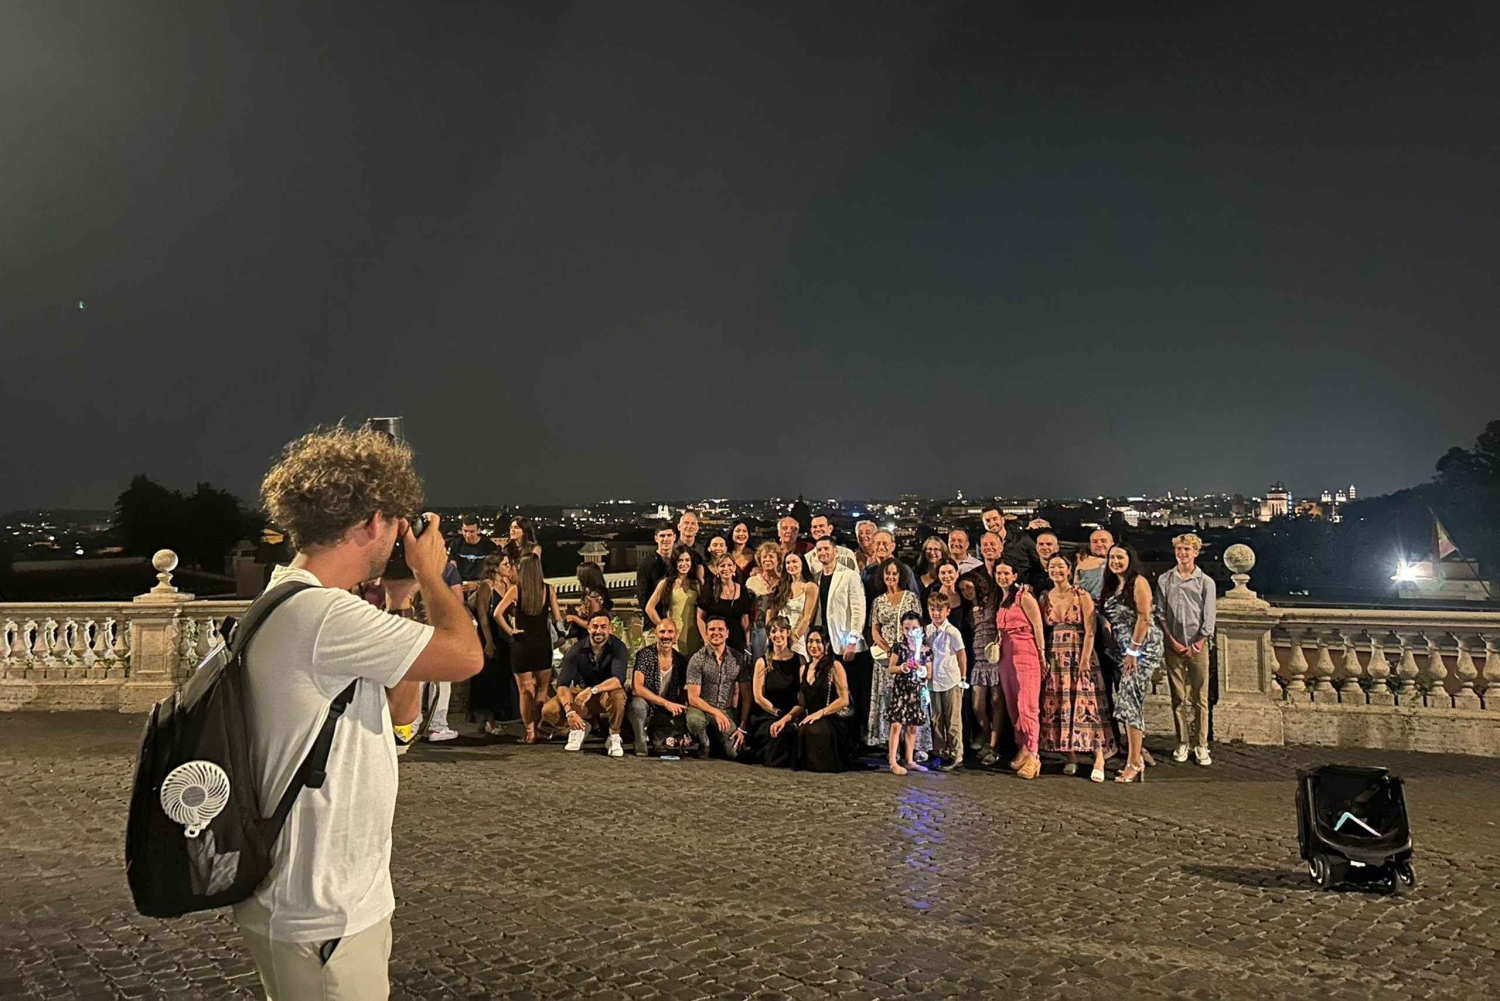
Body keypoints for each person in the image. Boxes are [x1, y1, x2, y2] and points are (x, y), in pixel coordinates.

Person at [239, 426, 482, 998]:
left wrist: (400, 607)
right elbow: (466, 654)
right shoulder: (323, 617)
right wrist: (430, 573)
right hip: (324, 911)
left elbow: (401, 712)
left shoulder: (297, 601)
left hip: (323, 904)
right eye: (397, 524)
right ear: (375, 522)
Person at [1038, 554, 1116, 781]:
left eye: (1060, 566)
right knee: (1061, 703)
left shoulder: (1081, 595)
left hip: (1079, 651)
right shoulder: (1045, 597)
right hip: (1056, 655)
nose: (1056, 570)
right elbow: (1043, 629)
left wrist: (1084, 660)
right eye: (1052, 567)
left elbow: (1091, 630)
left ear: (1069, 570)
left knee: (1088, 703)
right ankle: (1070, 755)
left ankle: (1099, 755)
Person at [1102, 544, 1162, 783]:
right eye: (1112, 557)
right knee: (1129, 700)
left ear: (1130, 559)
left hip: (1140, 649)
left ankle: (1134, 761)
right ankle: (1137, 753)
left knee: (1129, 702)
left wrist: (1133, 651)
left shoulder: (1138, 582)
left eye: (1120, 557)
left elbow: (1144, 618)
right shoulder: (1112, 584)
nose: (1115, 561)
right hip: (1121, 649)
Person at [1157, 533, 1217, 766]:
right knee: (1178, 697)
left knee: (1200, 698)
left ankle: (1202, 745)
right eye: (1179, 549)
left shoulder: (1206, 582)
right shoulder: (1165, 579)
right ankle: (1182, 741)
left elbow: (1209, 617)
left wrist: (1198, 643)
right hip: (1173, 645)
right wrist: (1172, 641)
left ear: (1195, 552)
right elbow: (1160, 613)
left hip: (1198, 645)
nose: (1182, 553)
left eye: (1187, 549)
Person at [540, 610, 629, 757]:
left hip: (605, 694)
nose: (598, 631)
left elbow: (618, 679)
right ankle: (578, 727)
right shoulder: (575, 650)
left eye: (603, 627)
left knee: (618, 696)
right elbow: (562, 684)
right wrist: (570, 712)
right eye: (595, 627)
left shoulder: (618, 647)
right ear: (588, 628)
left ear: (610, 629)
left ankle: (614, 736)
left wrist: (592, 690)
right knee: (549, 710)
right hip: (581, 695)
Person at [495, 553, 563, 744]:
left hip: (522, 643)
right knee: (542, 689)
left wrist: (511, 631)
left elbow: (497, 613)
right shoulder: (549, 590)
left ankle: (530, 731)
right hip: (542, 644)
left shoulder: (516, 590)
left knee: (525, 690)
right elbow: (558, 619)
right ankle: (539, 725)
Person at [806, 536, 868, 740]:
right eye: (819, 550)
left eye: (826, 549)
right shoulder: (815, 577)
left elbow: (858, 610)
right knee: (831, 693)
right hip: (825, 644)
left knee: (849, 694)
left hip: (845, 646)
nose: (822, 553)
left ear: (835, 552)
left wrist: (852, 641)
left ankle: (854, 738)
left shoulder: (849, 575)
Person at [868, 558, 926, 756]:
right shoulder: (878, 601)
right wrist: (888, 648)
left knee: (909, 700)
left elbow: (918, 625)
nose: (890, 577)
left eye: (894, 573)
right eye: (887, 573)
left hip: (908, 656)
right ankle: (890, 745)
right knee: (889, 699)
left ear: (900, 575)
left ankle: (911, 747)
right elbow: (874, 629)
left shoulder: (910, 597)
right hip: (886, 658)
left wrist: (908, 649)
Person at [994, 561, 1045, 780]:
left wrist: (1042, 654)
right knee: (1013, 704)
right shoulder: (1003, 600)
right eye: (999, 572)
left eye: (1006, 572)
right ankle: (1022, 745)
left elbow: (1037, 625)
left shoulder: (1024, 596)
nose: (1002, 576)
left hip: (1026, 651)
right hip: (1006, 654)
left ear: (1015, 575)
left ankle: (1034, 752)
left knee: (1028, 704)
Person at [685, 617, 752, 759]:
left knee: (734, 753)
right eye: (712, 629)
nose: (716, 633)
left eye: (720, 629)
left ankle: (717, 740)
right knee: (694, 721)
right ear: (706, 633)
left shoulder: (738, 659)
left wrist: (742, 728)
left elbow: (747, 697)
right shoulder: (697, 659)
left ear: (727, 633)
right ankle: (704, 742)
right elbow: (693, 698)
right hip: (702, 708)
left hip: (726, 710)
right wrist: (716, 713)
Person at [627, 618, 690, 756]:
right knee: (637, 704)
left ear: (675, 635)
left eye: (670, 632)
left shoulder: (680, 660)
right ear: (656, 634)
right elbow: (637, 688)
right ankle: (640, 741)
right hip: (648, 704)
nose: (666, 636)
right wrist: (666, 703)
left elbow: (684, 691)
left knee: (687, 718)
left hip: (665, 709)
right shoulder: (644, 655)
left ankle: (658, 735)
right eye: (662, 632)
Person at [795, 625, 854, 772]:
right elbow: (801, 703)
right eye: (810, 641)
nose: (813, 646)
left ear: (826, 645)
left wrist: (820, 713)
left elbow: (844, 699)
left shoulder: (834, 666)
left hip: (831, 717)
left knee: (813, 731)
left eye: (818, 642)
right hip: (810, 716)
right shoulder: (803, 669)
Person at [471, 553, 518, 734]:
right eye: (504, 564)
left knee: (501, 676)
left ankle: (495, 717)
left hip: (504, 633)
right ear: (494, 567)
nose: (508, 566)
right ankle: (489, 720)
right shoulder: (486, 587)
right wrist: (489, 642)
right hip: (490, 632)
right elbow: (483, 616)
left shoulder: (507, 585)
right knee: (488, 676)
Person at [748, 617, 803, 767]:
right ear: (769, 636)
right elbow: (758, 697)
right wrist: (778, 713)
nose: (777, 635)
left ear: (788, 633)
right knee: (777, 733)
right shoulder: (762, 662)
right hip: (768, 714)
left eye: (781, 631)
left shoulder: (800, 660)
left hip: (792, 713)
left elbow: (803, 697)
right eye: (773, 631)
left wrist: (789, 716)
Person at [924, 591, 967, 772]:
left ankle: (957, 754)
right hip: (933, 681)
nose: (936, 613)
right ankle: (940, 751)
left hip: (950, 679)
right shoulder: (926, 630)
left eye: (940, 610)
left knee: (953, 719)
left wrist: (963, 678)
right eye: (933, 609)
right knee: (937, 717)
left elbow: (961, 654)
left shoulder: (952, 632)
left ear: (947, 611)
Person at [885, 611, 931, 775]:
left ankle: (910, 759)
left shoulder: (925, 650)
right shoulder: (899, 647)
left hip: (916, 691)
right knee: (896, 725)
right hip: (901, 690)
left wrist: (920, 669)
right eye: (907, 628)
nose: (911, 631)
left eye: (914, 628)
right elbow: (891, 668)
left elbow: (929, 673)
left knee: (912, 726)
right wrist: (903, 667)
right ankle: (892, 760)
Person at [644, 545, 703, 658]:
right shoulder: (666, 583)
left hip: (693, 635)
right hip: (673, 636)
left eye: (687, 560)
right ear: (675, 562)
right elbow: (649, 608)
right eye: (680, 560)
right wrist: (664, 628)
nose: (684, 564)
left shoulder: (696, 584)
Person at [697, 553, 753, 652]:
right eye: (722, 566)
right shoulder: (709, 589)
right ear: (717, 569)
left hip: (736, 641)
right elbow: (700, 617)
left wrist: (748, 643)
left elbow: (745, 619)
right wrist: (706, 641)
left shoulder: (742, 589)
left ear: (734, 567)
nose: (726, 568)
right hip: (714, 640)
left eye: (729, 565)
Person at [766, 549, 816, 657]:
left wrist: (794, 637)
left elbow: (807, 617)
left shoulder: (810, 587)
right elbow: (771, 611)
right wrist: (770, 633)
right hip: (779, 635)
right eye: (788, 563)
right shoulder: (782, 585)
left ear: (802, 564)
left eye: (794, 561)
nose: (790, 565)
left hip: (798, 635)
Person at [744, 541, 783, 664]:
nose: (767, 559)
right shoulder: (752, 581)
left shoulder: (784, 582)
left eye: (771, 556)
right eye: (764, 557)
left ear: (778, 559)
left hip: (780, 629)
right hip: (758, 630)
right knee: (759, 663)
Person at [982, 507, 1038, 586]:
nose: (992, 523)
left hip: (1024, 586)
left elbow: (1037, 562)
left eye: (995, 519)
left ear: (1002, 520)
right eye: (987, 521)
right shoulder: (982, 544)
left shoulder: (1022, 539)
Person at [635, 524, 678, 610]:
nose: (665, 539)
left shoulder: (679, 562)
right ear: (656, 538)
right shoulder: (645, 564)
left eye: (669, 535)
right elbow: (643, 597)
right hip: (654, 618)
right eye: (662, 536)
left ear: (674, 537)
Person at [448, 515, 497, 588]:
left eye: (471, 531)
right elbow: (453, 567)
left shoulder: (489, 546)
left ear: (478, 530)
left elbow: (493, 572)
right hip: (461, 583)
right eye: (465, 531)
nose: (468, 535)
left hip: (482, 584)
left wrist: (478, 584)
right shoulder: (456, 544)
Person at [1073, 528, 1113, 600]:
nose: (1099, 544)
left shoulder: (1121, 564)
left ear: (1112, 544)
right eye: (1095, 542)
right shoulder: (1082, 566)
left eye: (1103, 541)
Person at [916, 536, 951, 612]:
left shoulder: (947, 577)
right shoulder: (916, 573)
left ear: (943, 552)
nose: (932, 552)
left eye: (936, 549)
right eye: (929, 549)